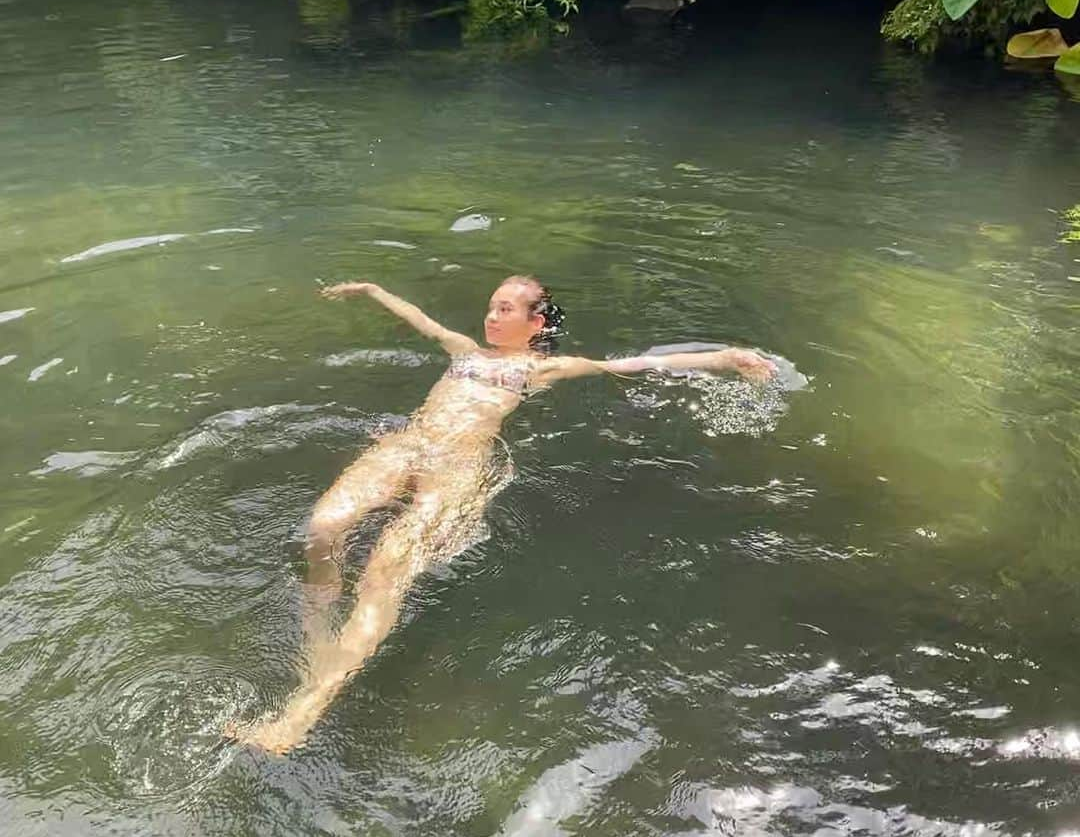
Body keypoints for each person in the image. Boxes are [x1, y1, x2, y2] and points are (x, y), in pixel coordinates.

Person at [231, 276, 777, 754]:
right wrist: (373, 291)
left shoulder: (545, 368)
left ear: (536, 321)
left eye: (506, 309)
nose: (492, 316)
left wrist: (726, 358)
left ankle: (300, 715)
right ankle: (319, 639)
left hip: (459, 467)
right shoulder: (462, 349)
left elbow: (640, 363)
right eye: (492, 306)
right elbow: (419, 319)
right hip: (404, 447)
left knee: (382, 573)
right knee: (323, 529)